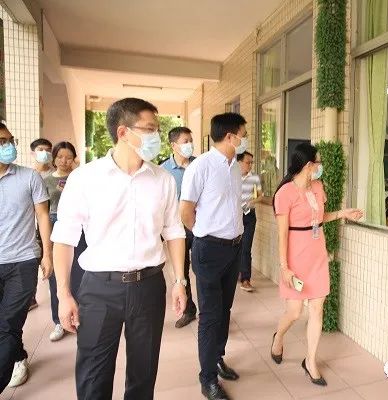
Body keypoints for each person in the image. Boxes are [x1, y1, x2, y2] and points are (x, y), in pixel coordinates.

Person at [50, 98, 187, 400]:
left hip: (149, 286)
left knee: (143, 373)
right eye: (150, 129)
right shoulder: (85, 179)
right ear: (123, 132)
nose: (157, 136)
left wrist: (179, 281)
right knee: (93, 376)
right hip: (99, 289)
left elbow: (174, 231)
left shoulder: (163, 180)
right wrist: (63, 294)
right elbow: (64, 239)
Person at [270, 143, 362, 388]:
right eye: (318, 162)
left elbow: (319, 219)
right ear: (309, 165)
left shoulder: (318, 186)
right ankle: (278, 337)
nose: (320, 167)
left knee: (317, 309)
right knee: (294, 312)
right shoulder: (285, 193)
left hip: (317, 255)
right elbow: (282, 234)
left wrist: (342, 213)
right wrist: (284, 267)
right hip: (295, 257)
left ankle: (310, 361)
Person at [180, 112, 248, 400]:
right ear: (230, 137)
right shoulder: (201, 166)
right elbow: (186, 211)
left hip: (234, 247)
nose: (245, 139)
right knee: (209, 315)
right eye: (243, 134)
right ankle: (207, 378)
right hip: (209, 249)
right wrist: (203, 235)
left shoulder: (235, 167)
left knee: (225, 309)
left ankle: (217, 358)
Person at [0, 124, 53, 391]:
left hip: (22, 261)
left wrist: (47, 254)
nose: (9, 146)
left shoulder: (29, 177)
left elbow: (43, 216)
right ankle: (18, 355)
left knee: (8, 323)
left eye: (11, 140)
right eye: (2, 141)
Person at [43, 141, 85, 342]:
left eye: (68, 157)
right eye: (60, 157)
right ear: (54, 158)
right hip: (55, 225)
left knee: (80, 273)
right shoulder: (46, 181)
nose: (64, 161)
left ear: (74, 158)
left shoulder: (81, 178)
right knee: (57, 277)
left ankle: (80, 316)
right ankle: (58, 320)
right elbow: (42, 212)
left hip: (79, 228)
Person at [160, 126, 198, 329]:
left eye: (191, 140)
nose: (189, 144)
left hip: (199, 226)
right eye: (185, 141)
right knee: (181, 270)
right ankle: (188, 310)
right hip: (177, 230)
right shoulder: (163, 171)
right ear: (173, 145)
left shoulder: (199, 165)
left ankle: (209, 313)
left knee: (202, 269)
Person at [28, 138, 54, 311]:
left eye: (48, 149)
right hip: (31, 227)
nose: (45, 153)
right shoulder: (28, 176)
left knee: (51, 259)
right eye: (40, 149)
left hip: (50, 224)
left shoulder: (56, 175)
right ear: (33, 153)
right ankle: (31, 297)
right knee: (32, 262)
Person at [237, 151, 263, 292]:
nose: (250, 165)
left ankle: (246, 279)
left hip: (249, 216)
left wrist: (251, 201)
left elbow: (260, 196)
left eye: (252, 162)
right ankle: (235, 273)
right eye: (248, 162)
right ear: (240, 162)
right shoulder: (232, 176)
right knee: (235, 247)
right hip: (234, 216)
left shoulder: (254, 178)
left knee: (246, 248)